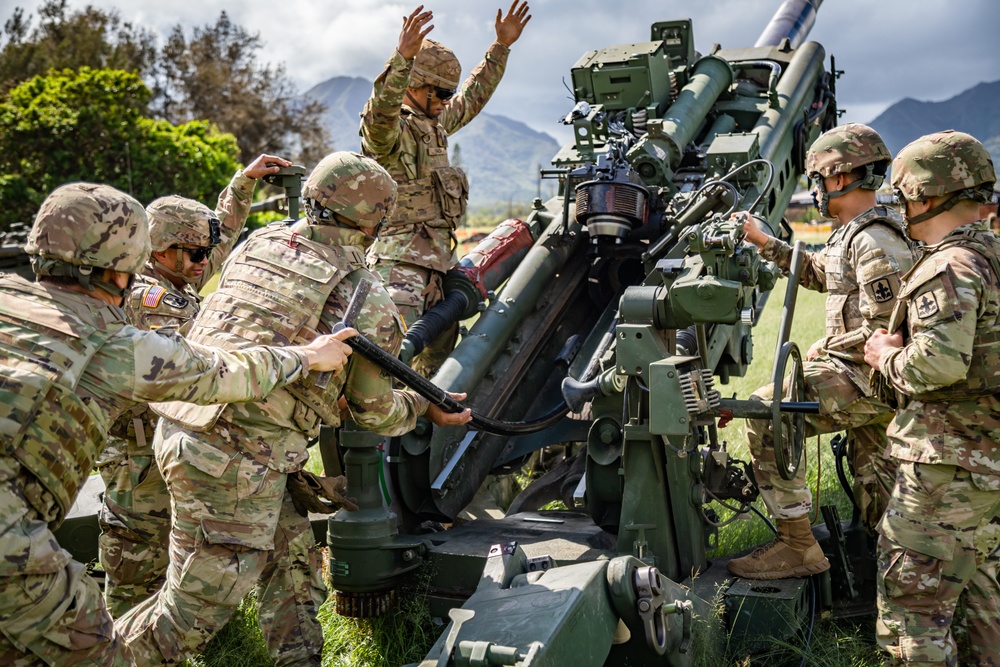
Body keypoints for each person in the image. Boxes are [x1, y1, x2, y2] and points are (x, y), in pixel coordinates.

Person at [117, 152, 472, 667]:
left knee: (293, 565)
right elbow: (375, 412)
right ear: (376, 223)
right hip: (233, 461)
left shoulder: (261, 243)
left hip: (188, 428)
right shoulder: (364, 297)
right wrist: (424, 406)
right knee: (190, 614)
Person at [0, 182, 354, 666]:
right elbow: (219, 374)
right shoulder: (111, 345)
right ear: (127, 263)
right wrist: (307, 357)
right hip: (10, 542)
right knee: (103, 658)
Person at [99, 154, 292, 618]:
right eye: (195, 255)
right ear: (160, 252)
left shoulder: (176, 273)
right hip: (136, 455)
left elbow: (219, 240)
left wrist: (243, 185)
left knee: (175, 550)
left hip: (164, 441)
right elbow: (200, 359)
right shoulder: (152, 299)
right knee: (136, 558)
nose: (206, 263)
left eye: (204, 253)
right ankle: (121, 643)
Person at [727, 123, 916, 580]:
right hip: (869, 377)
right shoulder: (854, 233)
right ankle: (900, 577)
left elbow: (892, 329)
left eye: (817, 180)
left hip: (870, 379)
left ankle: (798, 545)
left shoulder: (875, 241)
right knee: (879, 489)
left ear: (839, 178)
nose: (814, 190)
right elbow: (818, 272)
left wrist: (830, 345)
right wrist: (763, 241)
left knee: (767, 411)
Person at [864, 130, 1000, 666]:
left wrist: (883, 356)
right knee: (985, 599)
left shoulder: (951, 265)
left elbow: (939, 363)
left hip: (945, 463)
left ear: (922, 197)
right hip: (986, 462)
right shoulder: (990, 254)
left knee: (913, 606)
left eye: (902, 199)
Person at [361, 2, 531, 377]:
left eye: (446, 94)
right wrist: (402, 59)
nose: (443, 102)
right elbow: (382, 112)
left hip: (438, 273)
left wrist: (500, 47)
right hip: (399, 274)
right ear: (411, 84)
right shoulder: (389, 132)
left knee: (432, 378)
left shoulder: (434, 125)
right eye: (436, 92)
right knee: (385, 371)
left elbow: (471, 98)